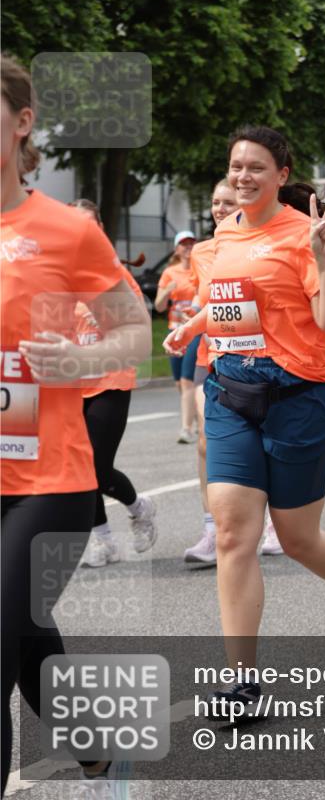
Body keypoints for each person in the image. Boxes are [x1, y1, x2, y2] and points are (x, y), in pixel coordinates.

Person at [164, 126, 325, 718]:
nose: (242, 176)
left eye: (256, 168)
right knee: (235, 532)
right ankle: (243, 682)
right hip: (231, 392)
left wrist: (324, 255)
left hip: (302, 396)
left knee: (296, 538)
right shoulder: (215, 242)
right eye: (236, 165)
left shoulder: (303, 236)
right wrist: (192, 329)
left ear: (282, 175)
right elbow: (228, 309)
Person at [1, 54, 151, 793]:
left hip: (49, 481)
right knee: (27, 639)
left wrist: (80, 354)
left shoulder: (66, 229)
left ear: (23, 122)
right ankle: (98, 753)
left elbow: (134, 332)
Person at [70, 200, 157, 567]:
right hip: (71, 384)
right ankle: (104, 541)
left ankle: (139, 508)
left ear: (100, 229)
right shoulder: (56, 274)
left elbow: (136, 329)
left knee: (94, 468)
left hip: (110, 379)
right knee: (78, 468)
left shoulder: (114, 275)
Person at [184, 179, 239, 565]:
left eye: (228, 202)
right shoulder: (201, 252)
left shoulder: (253, 243)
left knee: (255, 443)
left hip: (257, 358)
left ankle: (265, 520)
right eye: (216, 202)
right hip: (212, 355)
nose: (220, 208)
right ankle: (211, 529)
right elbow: (207, 300)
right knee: (206, 441)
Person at [155, 229, 199, 444]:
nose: (188, 247)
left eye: (191, 243)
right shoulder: (169, 273)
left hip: (194, 331)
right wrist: (167, 291)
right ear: (177, 248)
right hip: (174, 330)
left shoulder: (200, 269)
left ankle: (186, 428)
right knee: (179, 383)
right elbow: (159, 306)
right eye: (184, 244)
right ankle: (197, 416)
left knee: (187, 379)